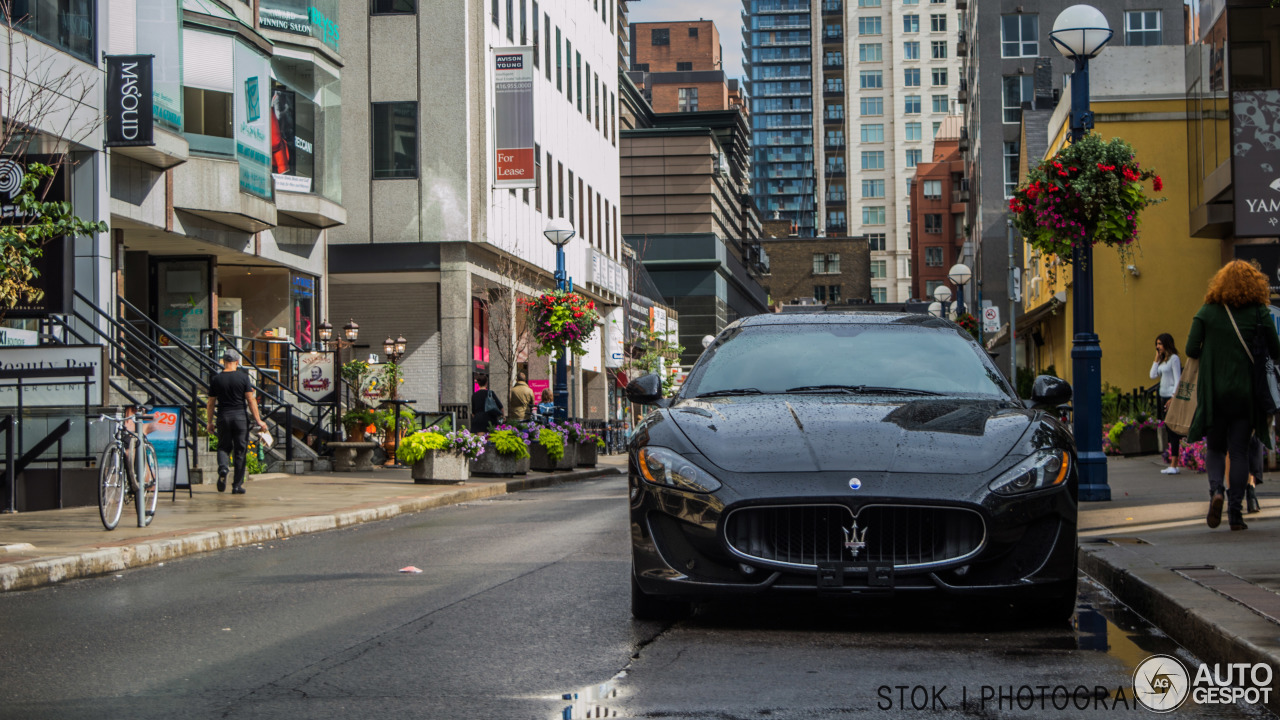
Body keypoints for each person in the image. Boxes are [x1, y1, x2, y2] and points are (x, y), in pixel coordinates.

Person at [1185, 260, 1280, 531]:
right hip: (1246, 394)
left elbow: (1192, 348)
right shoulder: (1259, 313)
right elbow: (1276, 350)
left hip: (1214, 393)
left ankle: (1216, 491)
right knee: (1239, 451)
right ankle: (1236, 513)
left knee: (1216, 447)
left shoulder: (1208, 311)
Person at [206, 350, 269, 495]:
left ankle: (223, 468)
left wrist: (210, 422)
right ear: (237, 362)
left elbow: (210, 402)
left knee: (223, 447)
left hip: (223, 417)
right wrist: (258, 420)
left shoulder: (216, 379)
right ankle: (236, 486)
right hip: (240, 418)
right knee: (240, 451)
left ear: (223, 361)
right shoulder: (243, 378)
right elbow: (250, 399)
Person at [1151, 333, 1184, 474]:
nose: (1158, 347)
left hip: (1171, 398)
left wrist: (1173, 397)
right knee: (1169, 430)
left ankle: (1174, 464)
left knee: (1173, 431)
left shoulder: (1174, 359)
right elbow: (1152, 375)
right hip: (1163, 397)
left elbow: (1178, 379)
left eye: (1160, 344)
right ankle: (1173, 463)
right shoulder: (1163, 361)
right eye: (1157, 344)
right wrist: (1156, 359)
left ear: (1166, 344)